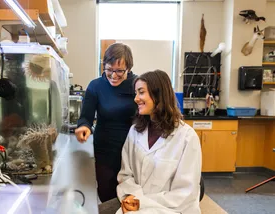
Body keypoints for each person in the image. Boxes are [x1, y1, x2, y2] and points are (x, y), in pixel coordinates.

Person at [108, 70, 201, 214]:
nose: (136, 99)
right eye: (136, 93)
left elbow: (185, 194)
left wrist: (141, 203)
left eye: (141, 92)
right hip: (134, 203)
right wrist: (133, 198)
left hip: (171, 210)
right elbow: (126, 175)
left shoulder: (186, 137)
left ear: (158, 95)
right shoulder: (135, 132)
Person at [75, 43, 137, 202]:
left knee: (131, 196)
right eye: (109, 69)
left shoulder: (137, 85)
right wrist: (83, 126)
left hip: (133, 151)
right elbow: (86, 117)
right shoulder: (96, 86)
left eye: (119, 71)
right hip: (105, 151)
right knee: (107, 194)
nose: (114, 75)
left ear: (128, 68)